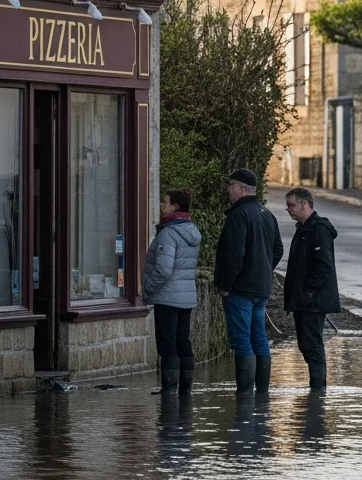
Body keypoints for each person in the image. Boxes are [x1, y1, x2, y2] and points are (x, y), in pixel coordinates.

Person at [214, 169, 283, 394]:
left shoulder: (239, 214)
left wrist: (224, 285)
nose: (227, 190)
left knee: (242, 339)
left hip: (240, 289)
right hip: (260, 289)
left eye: (230, 184)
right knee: (259, 337)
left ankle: (244, 395)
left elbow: (234, 254)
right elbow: (278, 250)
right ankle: (261, 392)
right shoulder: (266, 213)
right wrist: (262, 270)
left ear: (243, 188)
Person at [142, 188, 201, 394]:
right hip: (186, 297)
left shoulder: (168, 233)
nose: (161, 205)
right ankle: (185, 387)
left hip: (167, 296)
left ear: (175, 207)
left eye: (165, 202)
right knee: (183, 341)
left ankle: (169, 388)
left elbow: (164, 269)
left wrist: (147, 288)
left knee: (167, 343)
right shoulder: (191, 230)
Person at [283, 188, 341, 391]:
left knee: (312, 346)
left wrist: (307, 291)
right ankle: (316, 391)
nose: (287, 209)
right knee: (307, 346)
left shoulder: (317, 229)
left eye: (291, 204)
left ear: (304, 204)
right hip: (305, 300)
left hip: (313, 302)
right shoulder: (304, 229)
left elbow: (323, 265)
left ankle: (318, 392)